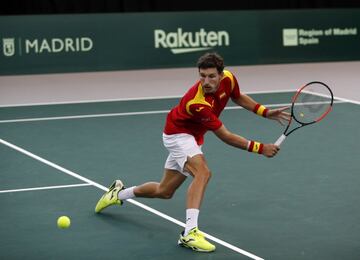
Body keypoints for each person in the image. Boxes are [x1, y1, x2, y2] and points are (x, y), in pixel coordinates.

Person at [94, 52, 290, 252]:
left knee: (165, 191)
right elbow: (226, 136)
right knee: (203, 173)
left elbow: (238, 96)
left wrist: (264, 112)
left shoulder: (229, 78)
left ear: (221, 75)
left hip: (194, 137)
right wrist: (260, 148)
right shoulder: (198, 103)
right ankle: (189, 233)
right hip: (178, 135)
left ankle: (118, 194)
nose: (206, 81)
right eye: (202, 76)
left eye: (211, 76)